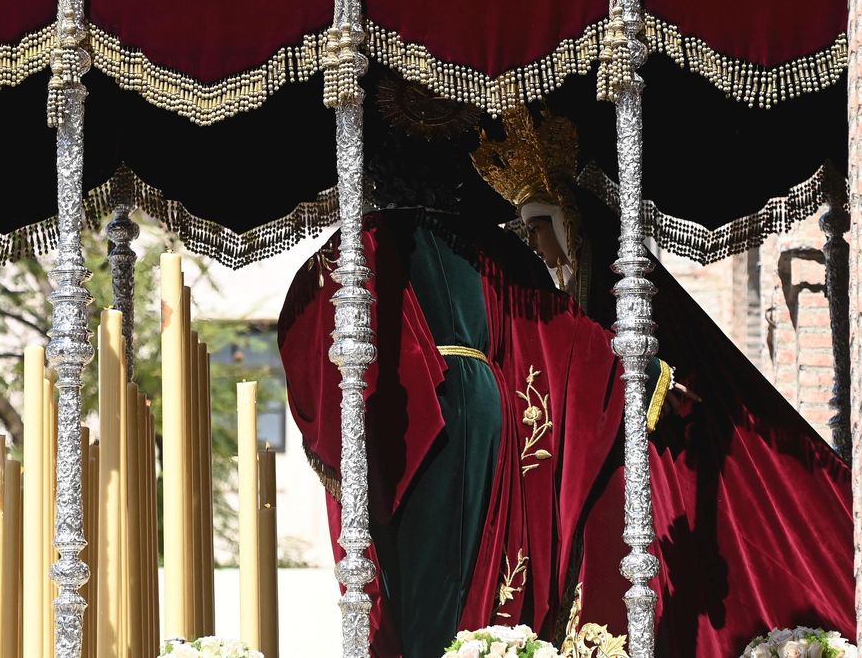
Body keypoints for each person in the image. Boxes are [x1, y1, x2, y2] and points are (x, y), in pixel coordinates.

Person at [277, 86, 673, 657]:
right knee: (472, 572)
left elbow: (310, 329)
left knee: (416, 583)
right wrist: (644, 371)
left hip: (410, 416)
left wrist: (341, 430)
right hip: (488, 406)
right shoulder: (491, 249)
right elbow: (562, 331)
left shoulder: (361, 245)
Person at [472, 107, 857, 656]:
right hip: (586, 460)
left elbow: (620, 357)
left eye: (537, 228)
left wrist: (653, 380)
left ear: (564, 223)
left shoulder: (609, 288)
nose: (533, 244)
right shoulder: (556, 295)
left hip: (635, 460)